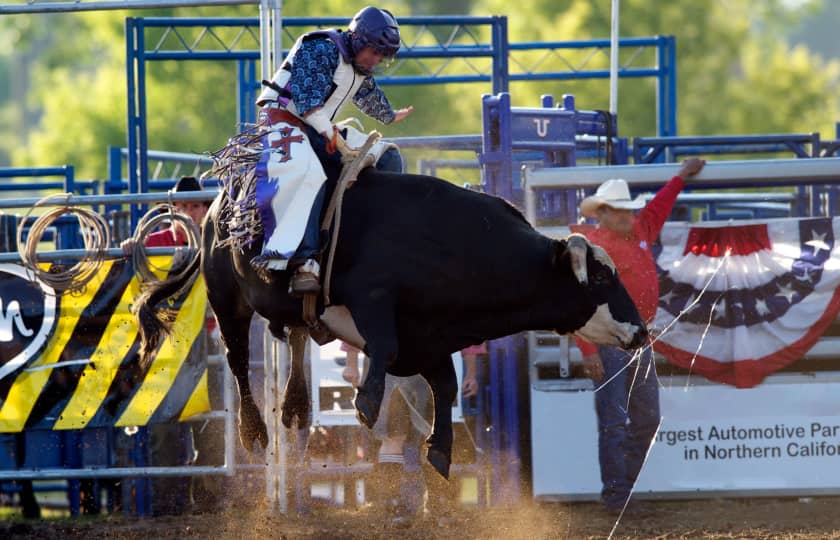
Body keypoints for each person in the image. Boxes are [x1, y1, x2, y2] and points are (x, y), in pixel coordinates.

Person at [575, 157, 706, 515]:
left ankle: (620, 492)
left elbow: (661, 204)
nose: (625, 216)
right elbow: (579, 302)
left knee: (645, 419)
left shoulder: (639, 229)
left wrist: (680, 176)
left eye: (627, 210)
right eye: (617, 211)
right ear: (601, 213)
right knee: (616, 421)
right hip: (608, 341)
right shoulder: (591, 247)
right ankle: (617, 497)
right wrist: (587, 349)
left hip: (636, 341)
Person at [252, 6, 414, 295]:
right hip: (281, 123)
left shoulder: (358, 66)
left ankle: (380, 238)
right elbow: (306, 103)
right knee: (310, 172)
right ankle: (305, 260)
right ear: (357, 38)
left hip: (318, 129)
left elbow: (368, 95)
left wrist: (389, 115)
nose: (375, 59)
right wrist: (333, 137)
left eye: (381, 55)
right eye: (373, 51)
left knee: (388, 155)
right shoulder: (319, 48)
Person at [122, 176, 220, 515]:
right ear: (173, 209)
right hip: (165, 342)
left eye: (195, 206)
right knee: (165, 427)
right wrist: (130, 247)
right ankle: (169, 503)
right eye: (183, 206)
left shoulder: (217, 239)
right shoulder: (156, 241)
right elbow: (135, 258)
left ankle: (208, 499)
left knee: (210, 421)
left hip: (206, 341)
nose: (188, 212)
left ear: (205, 209)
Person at [341, 342, 479, 524]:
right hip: (390, 365)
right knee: (393, 436)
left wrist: (471, 372)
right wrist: (351, 362)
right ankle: (393, 503)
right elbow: (363, 319)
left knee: (431, 435)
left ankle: (436, 503)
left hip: (425, 367)